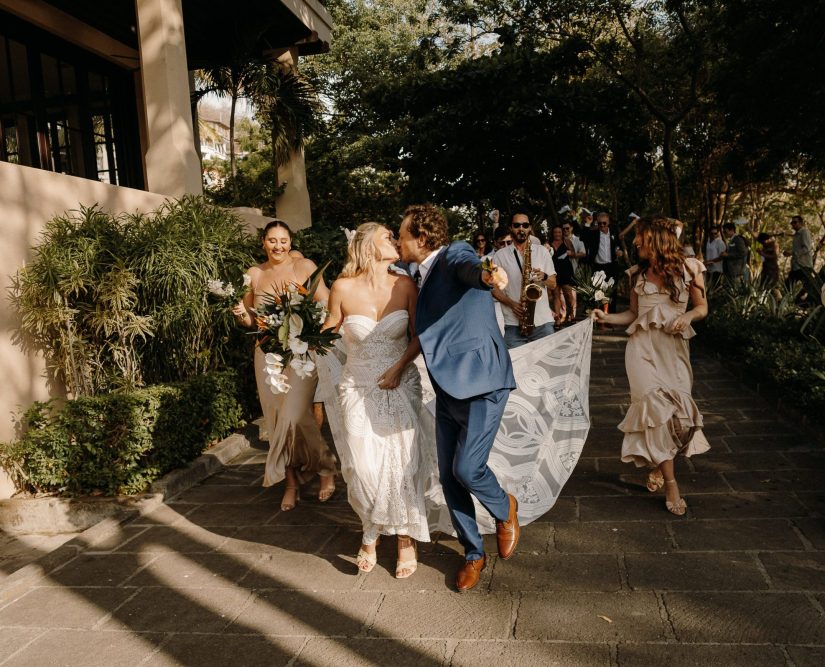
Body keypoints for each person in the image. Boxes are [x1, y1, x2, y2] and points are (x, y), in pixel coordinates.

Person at [397, 204, 520, 592]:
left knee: (468, 468)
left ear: (421, 237)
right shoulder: (413, 272)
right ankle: (473, 553)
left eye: (401, 235)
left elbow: (473, 270)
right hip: (446, 386)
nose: (398, 242)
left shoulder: (454, 254)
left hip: (481, 381)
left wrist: (488, 274)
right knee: (450, 476)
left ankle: (504, 507)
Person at [321, 223, 430, 579]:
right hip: (357, 387)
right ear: (368, 245)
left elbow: (419, 335)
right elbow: (330, 328)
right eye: (388, 236)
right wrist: (294, 331)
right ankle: (372, 525)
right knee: (363, 467)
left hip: (400, 383)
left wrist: (399, 367)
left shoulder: (405, 285)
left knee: (403, 464)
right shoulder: (342, 287)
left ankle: (403, 538)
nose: (396, 240)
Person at [592, 216, 710, 516]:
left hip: (674, 350)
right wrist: (607, 318)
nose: (635, 242)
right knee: (656, 413)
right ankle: (671, 483)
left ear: (655, 239)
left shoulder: (690, 269)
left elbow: (702, 307)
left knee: (683, 420)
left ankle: (660, 465)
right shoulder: (637, 275)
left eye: (640, 237)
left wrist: (688, 316)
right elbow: (633, 314)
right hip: (641, 351)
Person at [232, 220, 337, 511]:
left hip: (300, 353)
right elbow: (250, 321)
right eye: (272, 240)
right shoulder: (254, 274)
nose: (278, 246)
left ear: (290, 242)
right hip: (266, 354)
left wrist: (311, 327)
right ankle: (291, 484)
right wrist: (241, 314)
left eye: (283, 240)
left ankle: (325, 467)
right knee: (277, 420)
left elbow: (329, 303)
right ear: (263, 242)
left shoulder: (304, 267)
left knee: (295, 415)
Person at [491, 213, 557, 348]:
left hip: (542, 323)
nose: (521, 229)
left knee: (546, 361)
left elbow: (553, 284)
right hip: (513, 324)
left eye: (525, 225)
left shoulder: (542, 252)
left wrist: (544, 277)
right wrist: (511, 304)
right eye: (517, 225)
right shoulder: (499, 256)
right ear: (511, 228)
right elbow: (493, 288)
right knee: (515, 362)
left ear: (530, 228)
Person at [548, 225, 576, 326]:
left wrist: (569, 253)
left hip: (565, 270)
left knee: (568, 294)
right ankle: (558, 319)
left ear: (562, 233)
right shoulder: (549, 244)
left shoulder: (567, 241)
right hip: (554, 271)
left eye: (559, 232)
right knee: (556, 295)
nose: (557, 234)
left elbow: (574, 253)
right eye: (555, 232)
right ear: (552, 233)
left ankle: (571, 314)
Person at [784, 215, 814, 292]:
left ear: (801, 223)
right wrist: (789, 253)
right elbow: (797, 249)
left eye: (795, 222)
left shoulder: (804, 232)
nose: (793, 224)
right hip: (796, 266)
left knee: (807, 289)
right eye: (792, 222)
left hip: (804, 266)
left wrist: (792, 253)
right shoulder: (796, 235)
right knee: (787, 286)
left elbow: (807, 248)